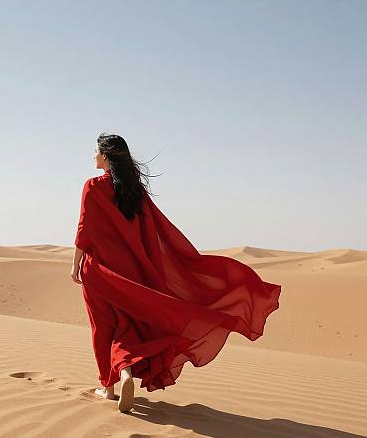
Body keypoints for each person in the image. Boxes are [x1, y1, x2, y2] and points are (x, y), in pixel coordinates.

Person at [70, 133, 281, 413]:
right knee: (126, 325)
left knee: (102, 326)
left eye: (96, 151)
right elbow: (152, 232)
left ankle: (106, 387)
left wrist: (75, 266)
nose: (93, 156)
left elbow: (84, 231)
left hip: (100, 272)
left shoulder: (93, 187)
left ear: (106, 156)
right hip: (131, 272)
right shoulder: (135, 191)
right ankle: (125, 374)